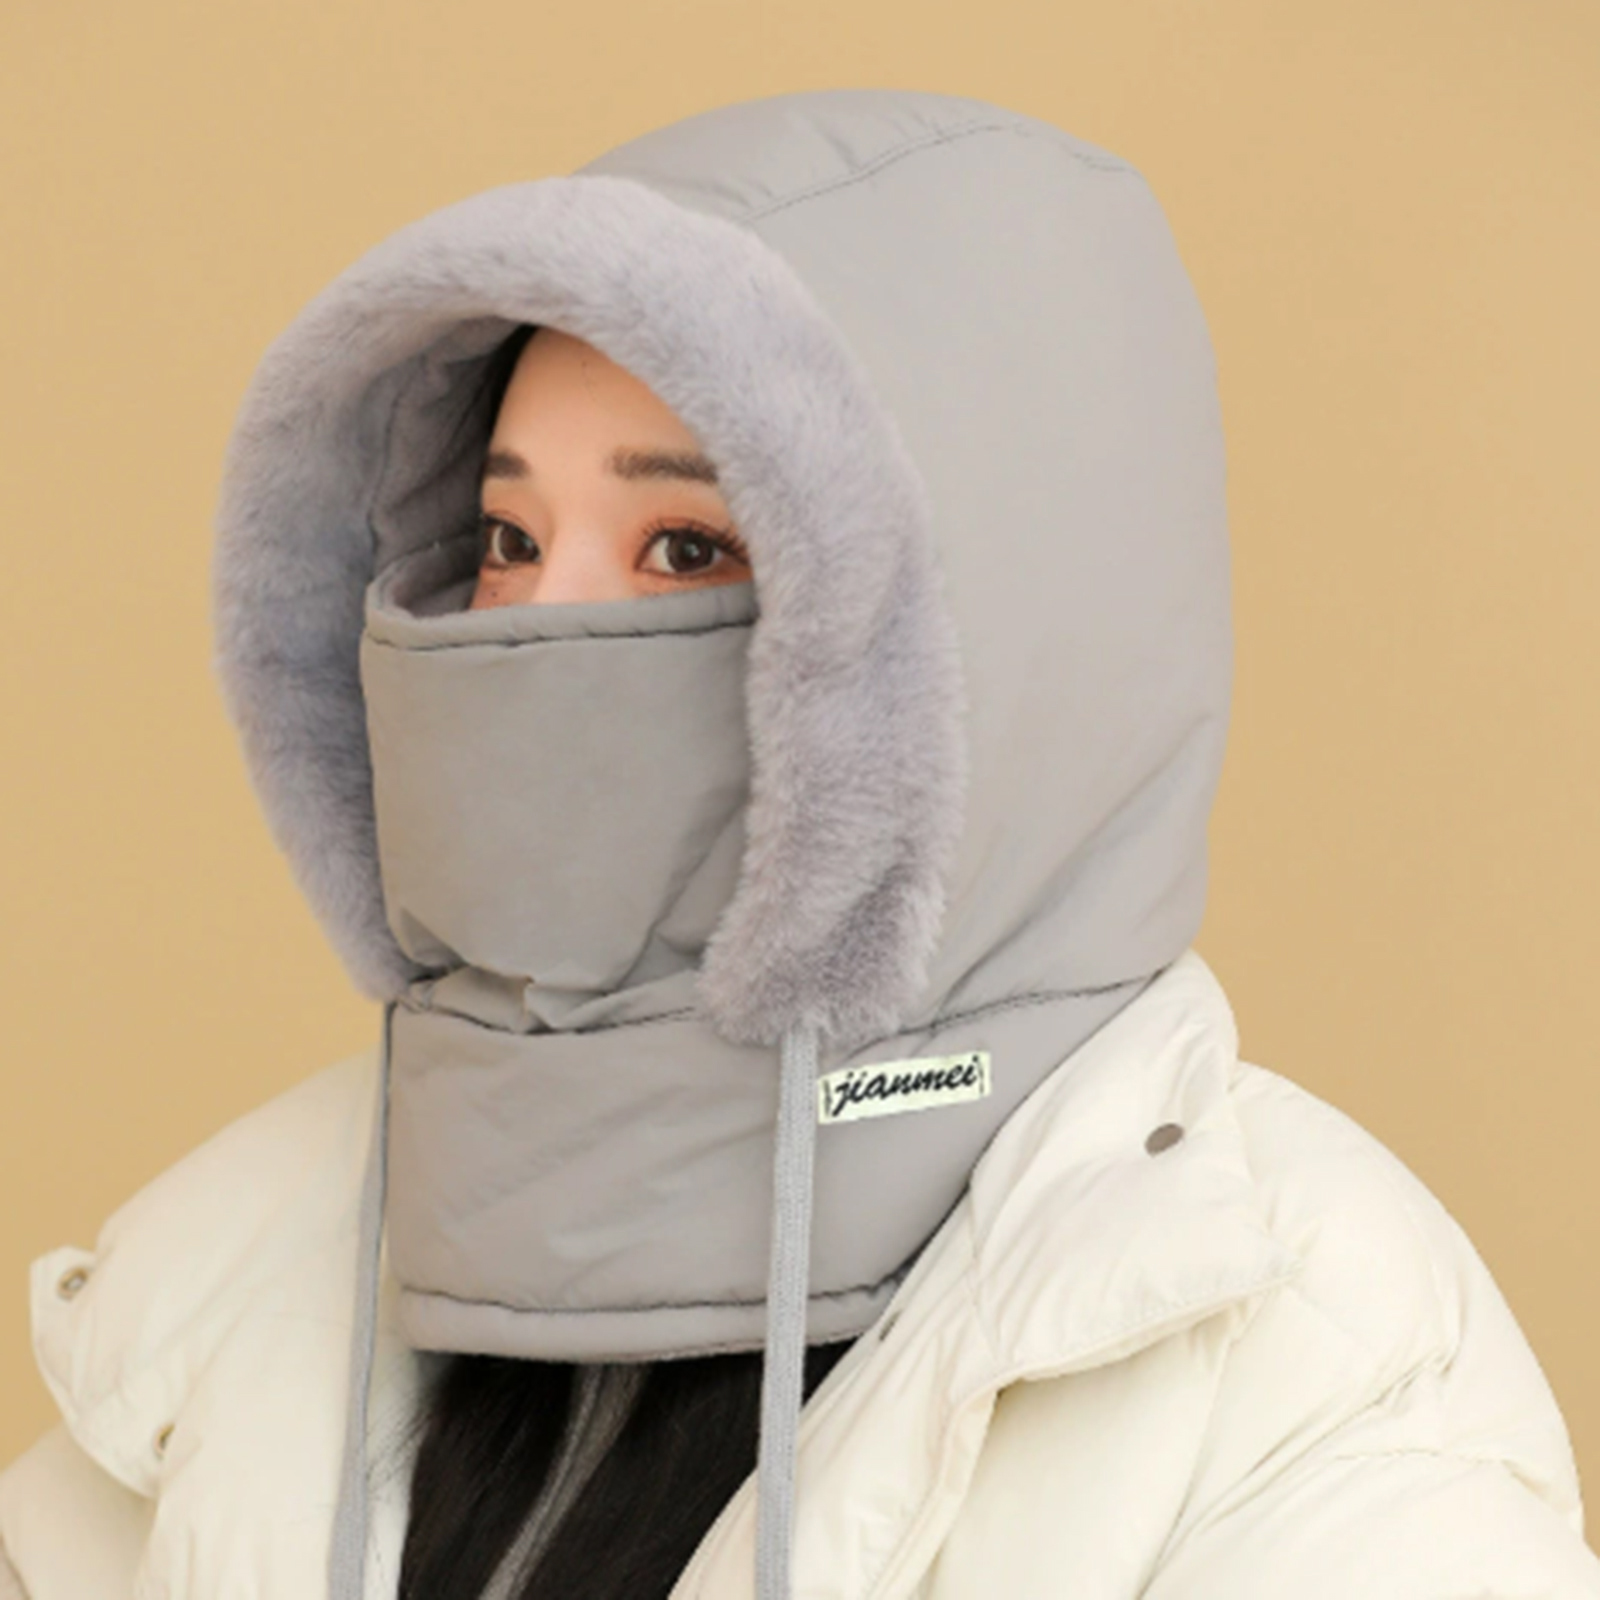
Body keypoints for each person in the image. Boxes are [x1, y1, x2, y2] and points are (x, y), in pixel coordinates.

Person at [1, 85, 1597, 1600]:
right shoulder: (267, 1249)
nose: (536, 633)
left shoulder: (1301, 1353)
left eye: (686, 546)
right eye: (505, 536)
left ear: (986, 642)